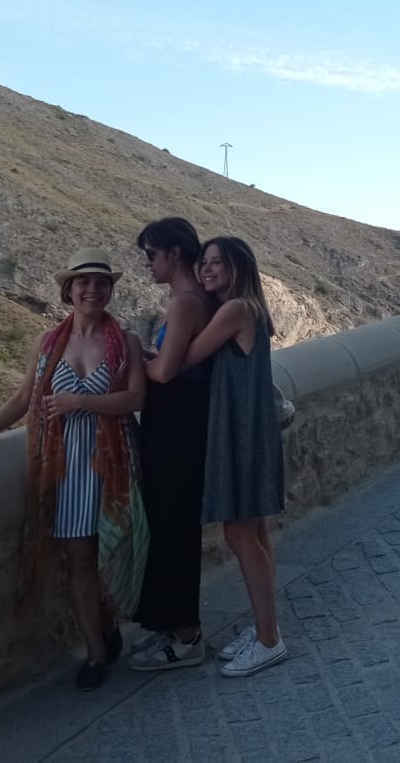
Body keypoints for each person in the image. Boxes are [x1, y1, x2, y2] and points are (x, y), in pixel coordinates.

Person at [0, 250, 147, 692]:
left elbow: (135, 400)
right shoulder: (47, 343)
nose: (92, 290)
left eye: (101, 283)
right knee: (79, 559)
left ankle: (110, 624)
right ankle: (96, 651)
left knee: (111, 553)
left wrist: (80, 402)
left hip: (112, 463)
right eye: (84, 283)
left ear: (110, 291)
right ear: (68, 290)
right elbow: (24, 401)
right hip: (64, 467)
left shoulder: (125, 341)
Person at [175, 236, 288, 677]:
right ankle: (267, 626)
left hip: (240, 433)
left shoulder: (236, 309)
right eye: (203, 262)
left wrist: (141, 354)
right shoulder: (250, 310)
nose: (206, 269)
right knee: (254, 535)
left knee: (240, 536)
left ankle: (268, 640)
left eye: (216, 263)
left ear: (237, 267)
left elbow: (184, 359)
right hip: (250, 430)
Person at [129, 218, 218, 672]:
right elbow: (170, 362)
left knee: (174, 528)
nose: (147, 264)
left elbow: (165, 373)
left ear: (174, 254)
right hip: (176, 421)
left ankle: (186, 637)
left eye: (151, 255)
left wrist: (128, 356)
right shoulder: (187, 301)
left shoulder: (186, 303)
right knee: (168, 524)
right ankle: (173, 625)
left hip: (179, 425)